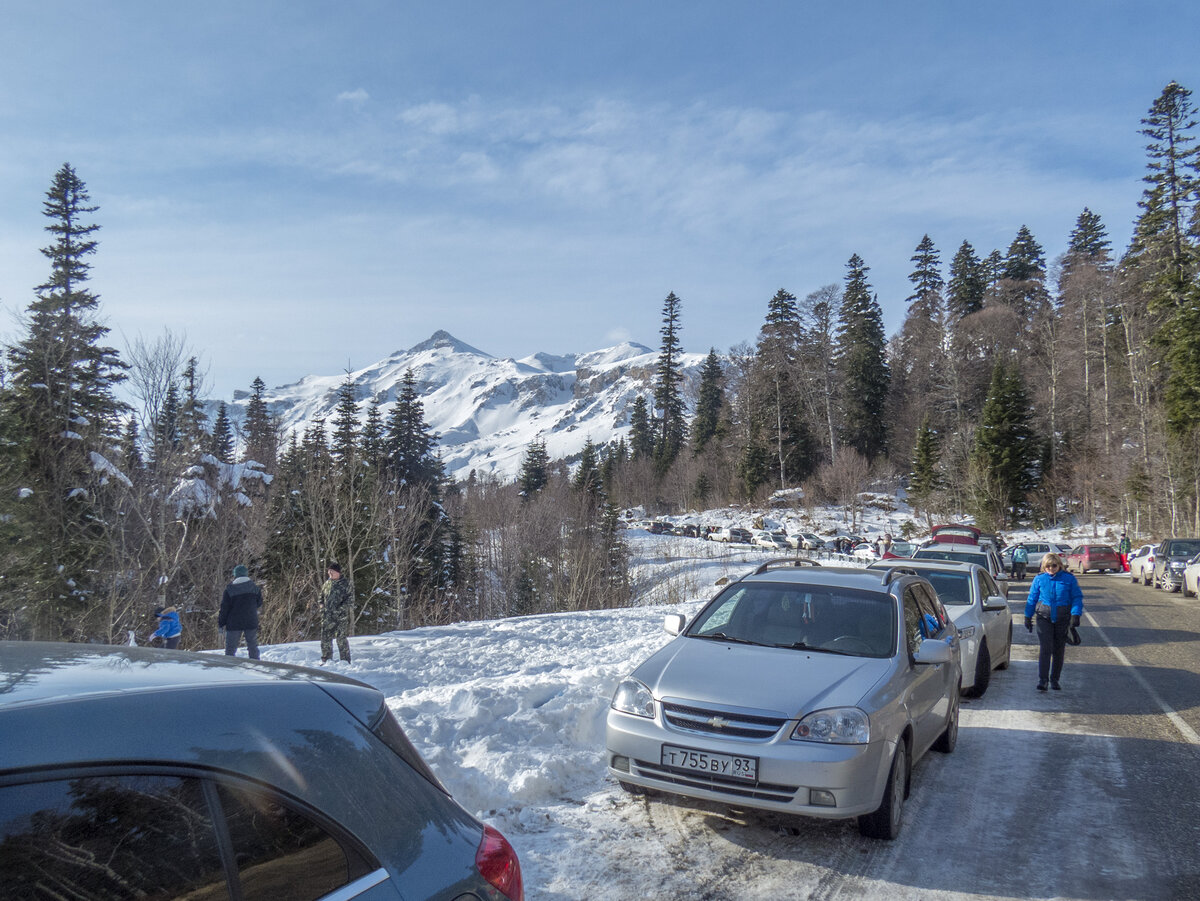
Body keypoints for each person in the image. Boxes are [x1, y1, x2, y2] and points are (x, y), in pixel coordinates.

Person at [1024, 553, 1083, 691]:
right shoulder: (1039, 579)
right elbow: (1032, 598)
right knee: (1045, 649)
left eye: (1054, 565)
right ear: (1044, 566)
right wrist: (1027, 616)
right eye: (1048, 566)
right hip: (1044, 618)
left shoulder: (1069, 579)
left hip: (1062, 619)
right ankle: (1043, 680)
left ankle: (1055, 679)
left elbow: (1076, 597)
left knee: (1058, 650)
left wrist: (1076, 614)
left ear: (1059, 565)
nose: (1051, 568)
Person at [219, 564, 263, 659]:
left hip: (234, 623)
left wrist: (221, 623)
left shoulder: (229, 589)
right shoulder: (255, 588)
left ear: (235, 575)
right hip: (251, 620)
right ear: (246, 574)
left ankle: (228, 668)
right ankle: (256, 666)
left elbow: (224, 608)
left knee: (230, 649)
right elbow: (259, 603)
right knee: (252, 647)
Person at [320, 562, 352, 665]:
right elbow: (320, 597)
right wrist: (321, 606)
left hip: (340, 617)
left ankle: (345, 660)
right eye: (329, 571)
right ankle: (326, 659)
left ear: (338, 572)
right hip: (327, 616)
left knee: (341, 638)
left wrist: (339, 610)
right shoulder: (327, 583)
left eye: (332, 571)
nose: (330, 573)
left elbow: (350, 601)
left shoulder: (346, 584)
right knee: (325, 638)